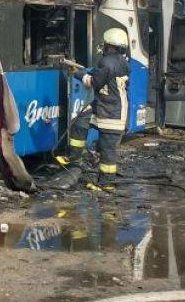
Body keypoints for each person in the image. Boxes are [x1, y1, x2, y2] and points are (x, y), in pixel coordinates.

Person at [56, 27, 131, 189]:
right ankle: (74, 157)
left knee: (107, 150)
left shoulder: (106, 62)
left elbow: (95, 82)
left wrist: (77, 73)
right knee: (80, 121)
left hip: (112, 113)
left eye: (105, 44)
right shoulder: (123, 62)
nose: (103, 47)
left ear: (109, 46)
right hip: (104, 106)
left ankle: (107, 184)